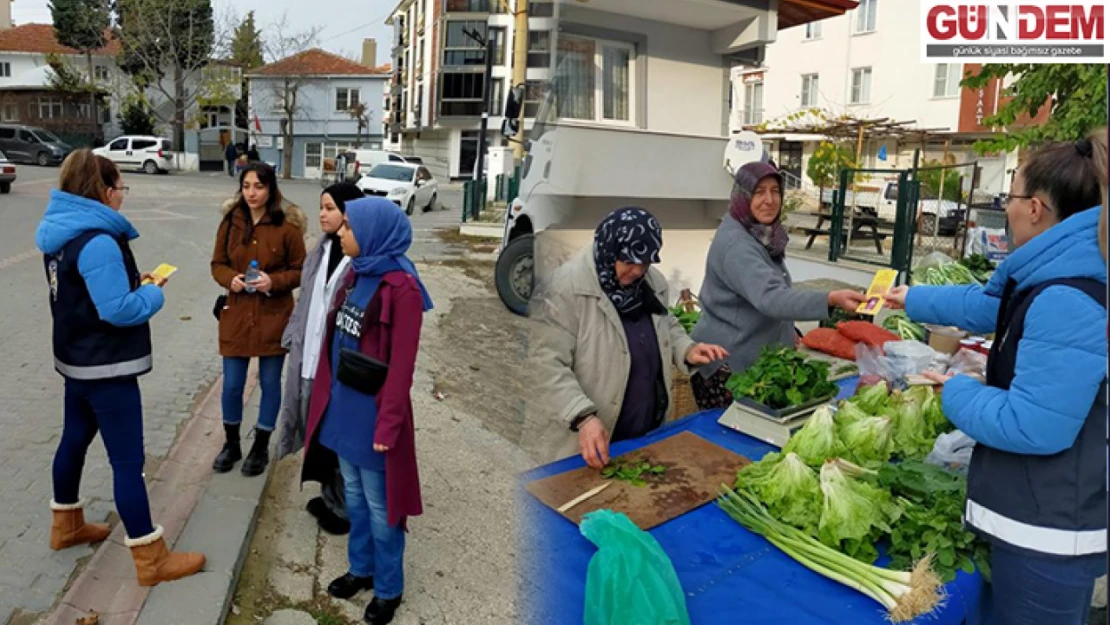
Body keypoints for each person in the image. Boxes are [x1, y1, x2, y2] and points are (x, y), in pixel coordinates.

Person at [885, 136, 1107, 625]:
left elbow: (1035, 426)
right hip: (1038, 515)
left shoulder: (1067, 297)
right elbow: (989, 307)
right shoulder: (1058, 268)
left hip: (1049, 531)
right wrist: (913, 299)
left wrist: (956, 390)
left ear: (1034, 208)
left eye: (1009, 197)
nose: (1004, 209)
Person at [35, 150, 205, 586]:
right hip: (107, 368)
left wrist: (131, 283)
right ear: (104, 191)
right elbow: (117, 311)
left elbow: (82, 294)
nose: (122, 197)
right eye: (120, 188)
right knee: (127, 461)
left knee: (74, 440)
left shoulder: (60, 232)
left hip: (76, 360)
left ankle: (66, 525)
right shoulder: (98, 241)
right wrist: (152, 295)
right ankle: (151, 558)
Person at [301, 197, 433, 625]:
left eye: (349, 227)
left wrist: (389, 422)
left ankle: (389, 587)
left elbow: (402, 366)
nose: (340, 232)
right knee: (354, 498)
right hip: (344, 409)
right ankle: (361, 569)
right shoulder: (357, 274)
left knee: (382, 507)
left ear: (373, 233)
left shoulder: (402, 289)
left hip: (375, 416)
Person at [533, 207, 729, 467]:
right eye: (629, 261)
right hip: (592, 443)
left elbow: (665, 322)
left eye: (645, 262)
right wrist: (583, 417)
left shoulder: (652, 282)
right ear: (609, 249)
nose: (637, 271)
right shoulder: (564, 289)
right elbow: (545, 363)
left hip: (645, 437)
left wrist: (686, 349)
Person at [689, 161, 867, 410]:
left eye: (775, 191)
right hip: (729, 365)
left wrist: (786, 329)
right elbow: (770, 297)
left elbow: (767, 290)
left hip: (752, 360)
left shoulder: (759, 232)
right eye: (759, 192)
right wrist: (830, 299)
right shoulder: (736, 245)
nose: (769, 200)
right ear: (743, 196)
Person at [276, 182, 364, 535]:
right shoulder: (321, 251)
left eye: (329, 207)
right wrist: (291, 337)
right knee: (319, 433)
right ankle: (330, 497)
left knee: (339, 434)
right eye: (321, 207)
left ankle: (344, 508)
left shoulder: (359, 260)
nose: (322, 214)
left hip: (336, 367)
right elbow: (307, 302)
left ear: (349, 213)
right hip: (309, 358)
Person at [211, 163, 307, 476]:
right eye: (247, 185)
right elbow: (217, 264)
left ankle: (260, 446)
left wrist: (273, 282)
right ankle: (232, 443)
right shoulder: (230, 223)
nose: (252, 193)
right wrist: (231, 279)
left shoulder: (288, 227)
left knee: (269, 383)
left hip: (272, 316)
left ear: (270, 189)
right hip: (237, 315)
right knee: (232, 385)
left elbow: (300, 271)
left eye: (259, 186)